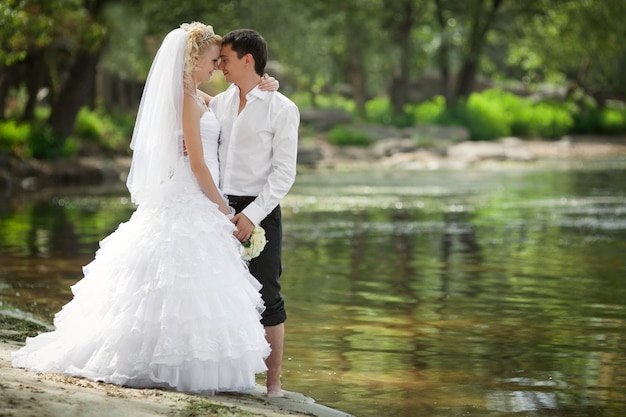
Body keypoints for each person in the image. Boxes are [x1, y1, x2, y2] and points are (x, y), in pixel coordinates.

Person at [11, 22, 278, 394]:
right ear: (192, 60)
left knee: (198, 289)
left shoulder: (203, 99)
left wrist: (268, 84)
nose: (216, 66)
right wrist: (223, 210)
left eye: (220, 60)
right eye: (212, 60)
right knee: (171, 283)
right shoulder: (185, 101)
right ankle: (161, 363)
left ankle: (201, 364)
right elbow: (198, 164)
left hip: (200, 198)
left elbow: (238, 103)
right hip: (190, 197)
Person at [209, 29, 300, 397]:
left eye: (226, 60)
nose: (220, 67)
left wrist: (252, 216)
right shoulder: (220, 103)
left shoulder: (283, 108)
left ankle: (274, 386)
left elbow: (284, 173)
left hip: (259, 210)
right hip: (217, 208)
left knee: (268, 296)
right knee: (218, 292)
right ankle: (228, 376)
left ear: (248, 60)